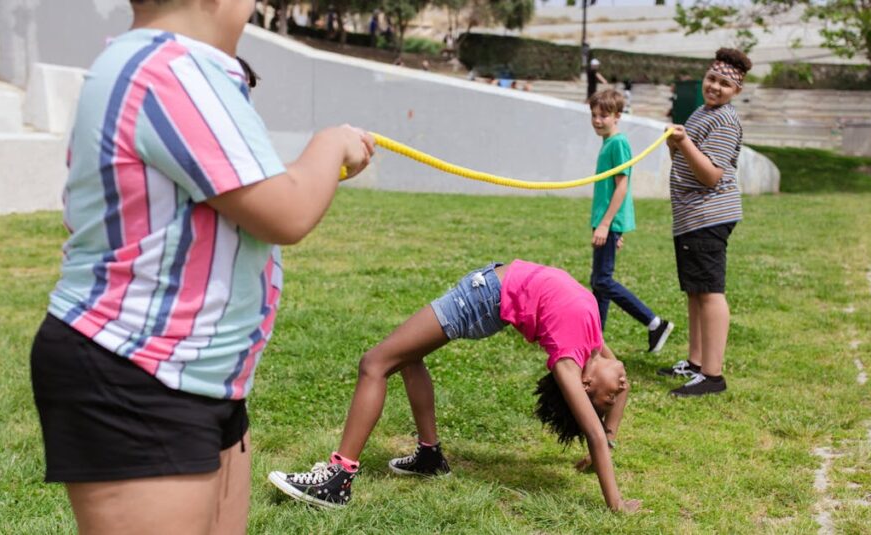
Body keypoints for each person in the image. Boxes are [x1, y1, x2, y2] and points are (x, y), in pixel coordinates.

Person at [28, 0, 375, 533]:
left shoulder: (155, 64)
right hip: (136, 371)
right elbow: (287, 212)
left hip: (196, 373)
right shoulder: (170, 71)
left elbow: (240, 192)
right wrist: (330, 146)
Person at [269, 260, 642, 513]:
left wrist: (615, 502)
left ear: (584, 383)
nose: (621, 385)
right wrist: (608, 437)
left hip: (479, 300)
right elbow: (616, 399)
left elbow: (591, 430)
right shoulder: (592, 343)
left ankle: (338, 479)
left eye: (605, 397)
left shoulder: (568, 359)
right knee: (407, 356)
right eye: (613, 395)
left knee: (374, 363)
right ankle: (429, 457)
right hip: (485, 293)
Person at [657, 48, 751, 397]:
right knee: (695, 290)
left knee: (710, 292)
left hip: (709, 215)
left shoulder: (725, 120)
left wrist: (682, 141)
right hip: (690, 216)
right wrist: (676, 142)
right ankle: (696, 364)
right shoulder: (702, 112)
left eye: (725, 84)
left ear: (736, 91)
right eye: (712, 79)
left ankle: (712, 375)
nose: (715, 87)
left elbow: (710, 175)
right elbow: (683, 158)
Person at [588, 89, 673, 353]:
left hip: (607, 222)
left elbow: (622, 187)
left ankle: (654, 322)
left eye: (603, 116)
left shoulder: (618, 144)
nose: (597, 120)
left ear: (617, 116)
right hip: (606, 223)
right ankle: (594, 342)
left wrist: (608, 225)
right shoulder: (607, 143)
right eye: (594, 115)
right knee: (599, 283)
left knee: (602, 281)